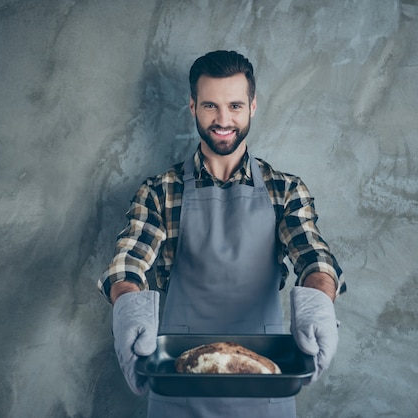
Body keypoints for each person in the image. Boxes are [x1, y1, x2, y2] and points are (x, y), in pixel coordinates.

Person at [98, 50, 346, 417]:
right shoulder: (160, 191)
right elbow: (128, 264)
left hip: (264, 386)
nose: (223, 119)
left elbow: (313, 257)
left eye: (235, 105)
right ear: (193, 106)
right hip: (178, 387)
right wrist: (127, 308)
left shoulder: (285, 191)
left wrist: (318, 303)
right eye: (210, 106)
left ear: (253, 106)